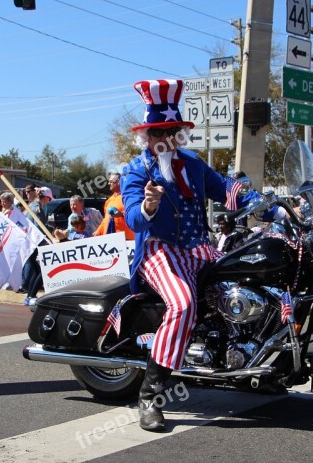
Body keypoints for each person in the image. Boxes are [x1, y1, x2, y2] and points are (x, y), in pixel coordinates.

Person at [121, 79, 272, 431]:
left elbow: (228, 191)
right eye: (159, 131)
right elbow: (131, 216)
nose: (166, 138)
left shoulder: (193, 165)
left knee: (249, 291)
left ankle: (256, 366)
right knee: (183, 303)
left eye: (173, 131)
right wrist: (147, 204)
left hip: (200, 250)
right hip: (160, 251)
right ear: (146, 135)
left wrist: (267, 207)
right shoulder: (137, 170)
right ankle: (150, 393)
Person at [22, 187, 53, 306]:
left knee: (36, 269)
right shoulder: (38, 209)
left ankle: (30, 295)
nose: (49, 202)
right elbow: (40, 227)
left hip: (28, 243)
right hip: (33, 243)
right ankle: (31, 295)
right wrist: (50, 236)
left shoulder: (31, 206)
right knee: (42, 271)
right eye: (49, 199)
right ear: (45, 197)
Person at [93, 173, 135, 239]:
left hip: (126, 239)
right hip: (110, 239)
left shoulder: (128, 197)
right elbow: (106, 219)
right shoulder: (108, 201)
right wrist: (99, 231)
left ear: (118, 182)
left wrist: (121, 214)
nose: (108, 184)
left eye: (111, 182)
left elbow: (134, 214)